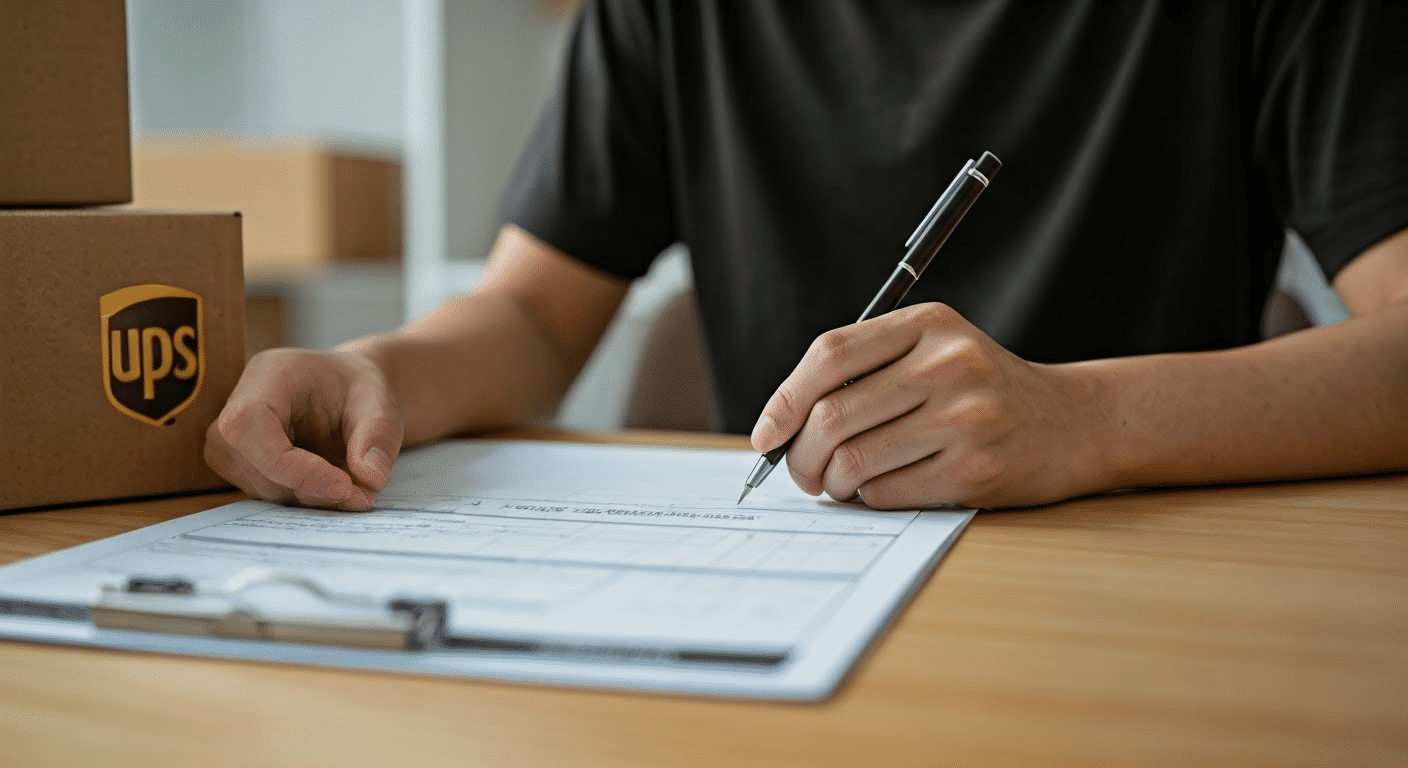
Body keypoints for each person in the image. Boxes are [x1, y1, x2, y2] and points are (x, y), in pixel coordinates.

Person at [204, 0, 1408, 512]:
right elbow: (529, 314)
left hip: (1143, 588)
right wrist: (377, 373)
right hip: (796, 581)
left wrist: (1075, 419)